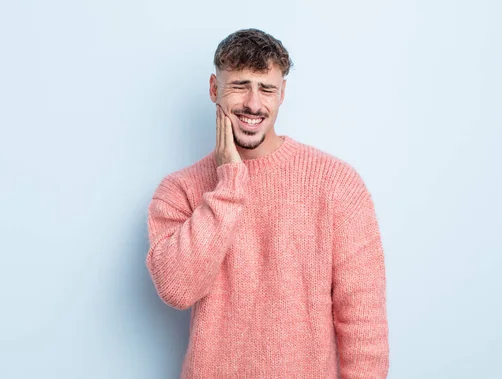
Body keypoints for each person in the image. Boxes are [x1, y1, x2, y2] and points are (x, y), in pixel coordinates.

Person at [146, 28, 389, 379]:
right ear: (214, 88)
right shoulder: (179, 190)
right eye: (240, 85)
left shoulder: (336, 184)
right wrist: (230, 181)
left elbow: (362, 318)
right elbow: (177, 289)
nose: (254, 104)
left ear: (282, 93)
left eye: (266, 88)